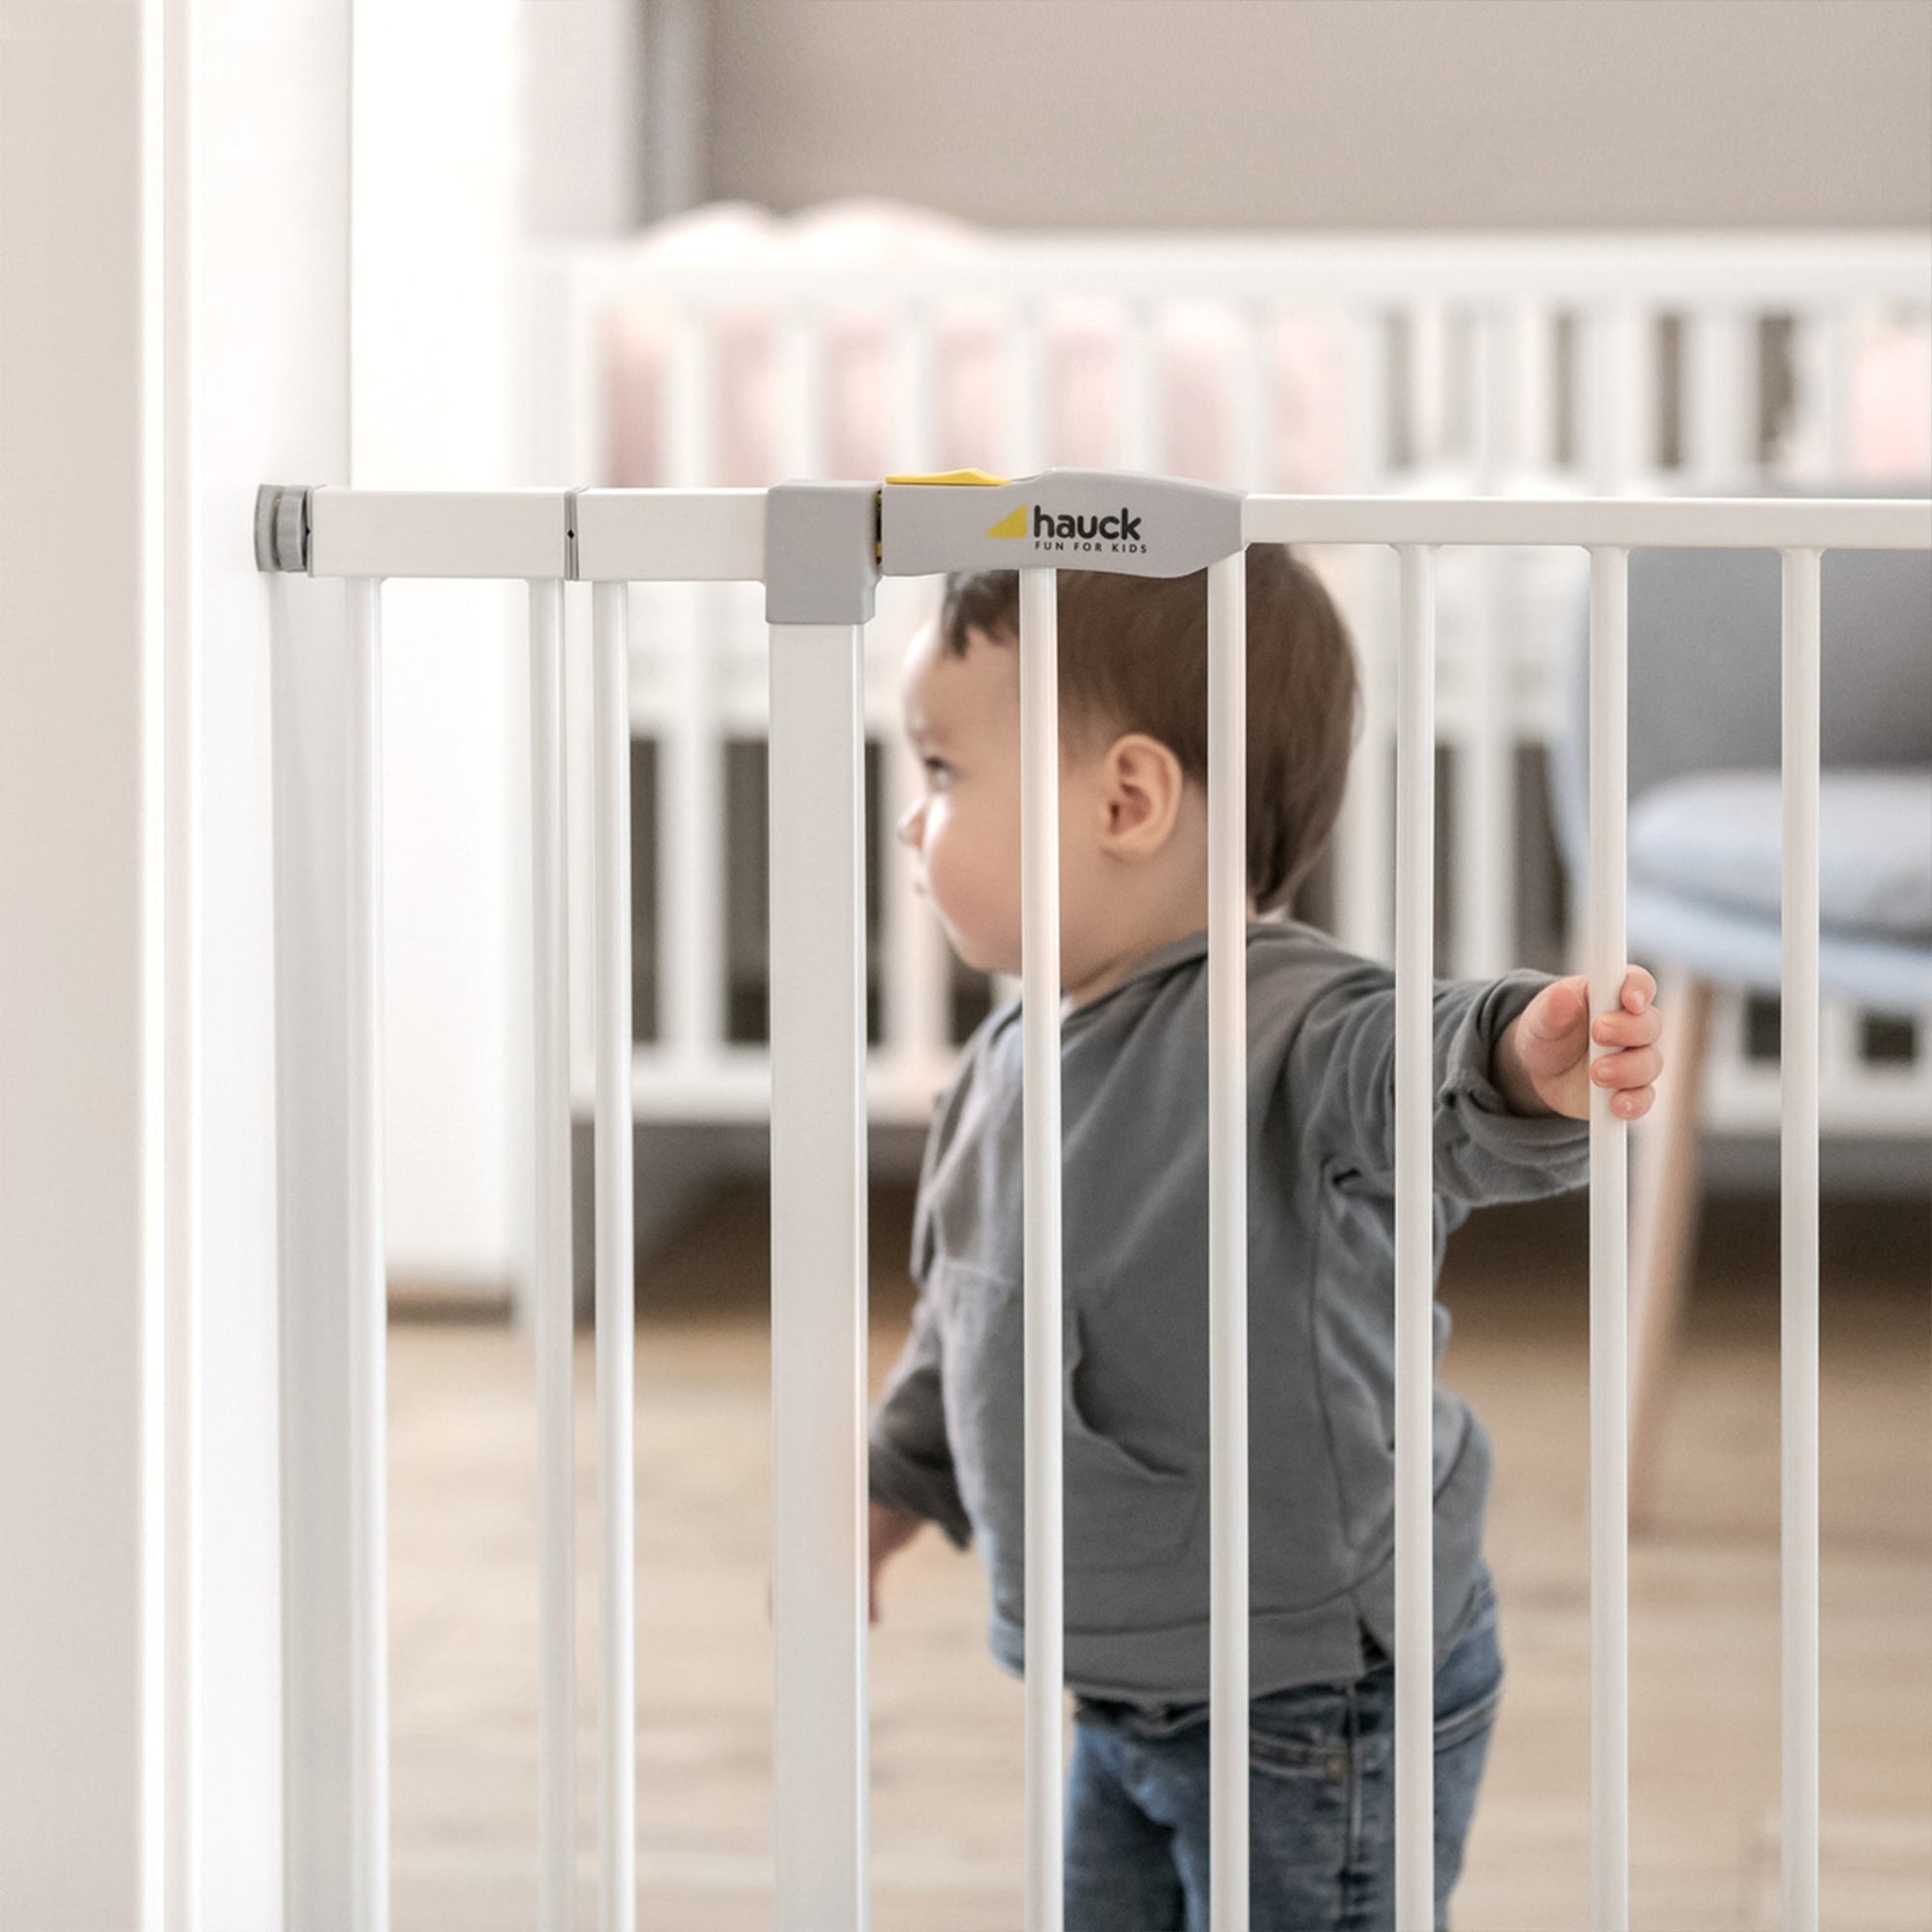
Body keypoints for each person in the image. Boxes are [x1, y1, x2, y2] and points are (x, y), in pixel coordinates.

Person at [867, 551, 1663, 1932]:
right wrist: (887, 1485)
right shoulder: (1005, 1061)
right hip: (1127, 1682)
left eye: (942, 772)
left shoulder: (1287, 1022)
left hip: (1309, 1697)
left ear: (1125, 798)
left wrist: (1515, 1057)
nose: (907, 819)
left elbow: (1410, 1064)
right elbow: (970, 1317)